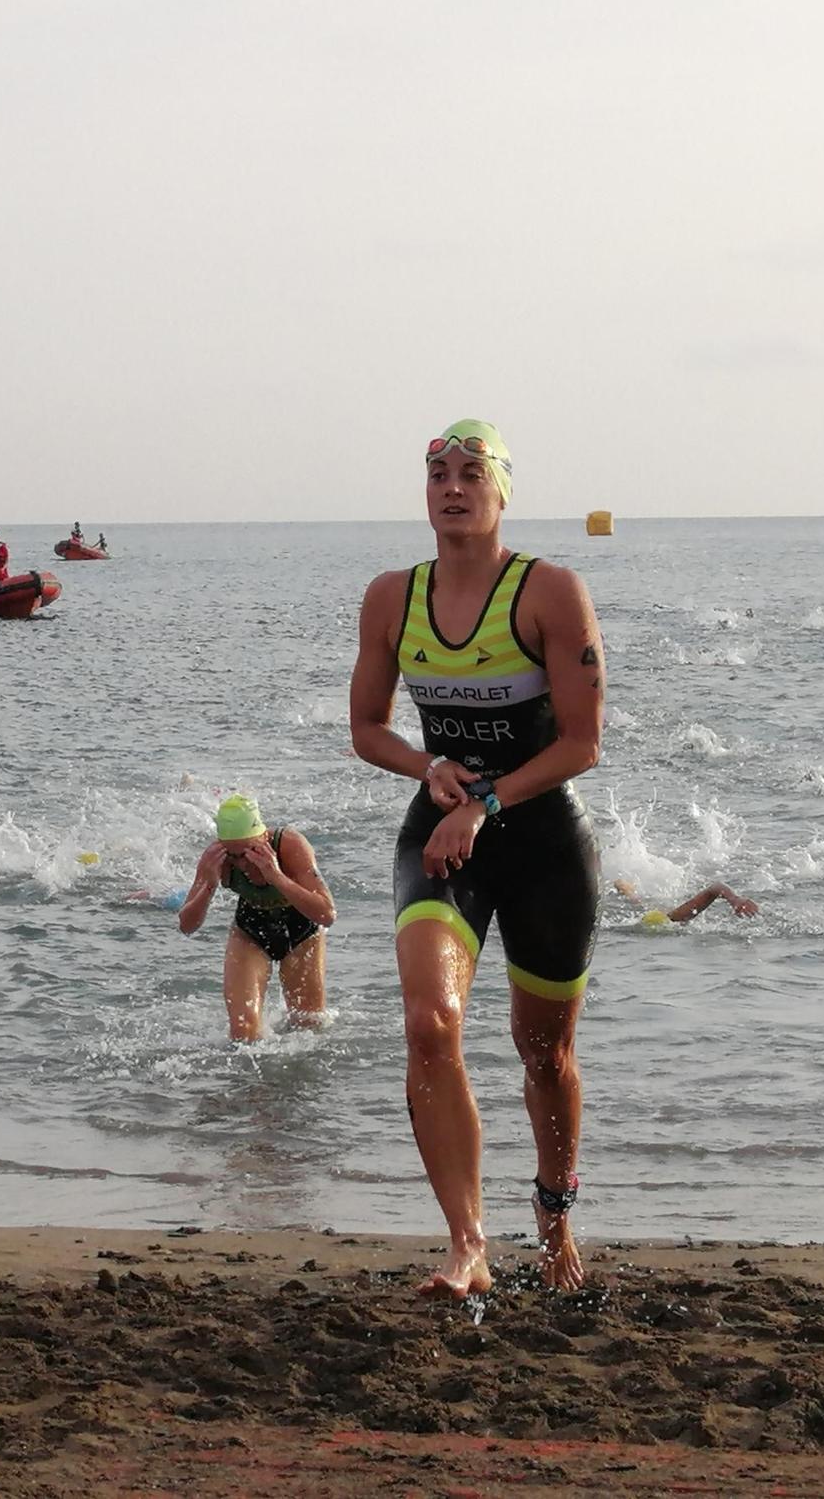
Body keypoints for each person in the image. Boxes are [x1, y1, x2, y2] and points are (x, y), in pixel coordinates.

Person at [348, 419, 605, 1298]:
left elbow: (582, 744)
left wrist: (491, 801)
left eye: (471, 473)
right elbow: (366, 728)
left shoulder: (549, 592)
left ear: (502, 492)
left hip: (540, 843)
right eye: (436, 474)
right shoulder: (392, 597)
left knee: (545, 1055)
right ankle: (468, 1245)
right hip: (441, 829)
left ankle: (555, 1216)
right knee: (429, 1025)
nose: (452, 487)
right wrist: (431, 770)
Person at [176, 795, 334, 1042]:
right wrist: (209, 885)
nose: (244, 862)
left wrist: (277, 877)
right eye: (234, 855)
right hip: (250, 930)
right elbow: (186, 926)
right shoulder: (217, 859)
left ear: (264, 837)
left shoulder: (290, 845)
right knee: (243, 1033)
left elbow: (327, 913)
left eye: (251, 851)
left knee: (308, 1027)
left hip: (302, 930)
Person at [615, 878, 761, 928]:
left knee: (638, 903)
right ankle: (625, 887)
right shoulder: (677, 918)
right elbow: (715, 888)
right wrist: (735, 900)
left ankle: (624, 887)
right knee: (638, 903)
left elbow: (716, 887)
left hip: (664, 914)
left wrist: (735, 899)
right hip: (665, 914)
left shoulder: (675, 917)